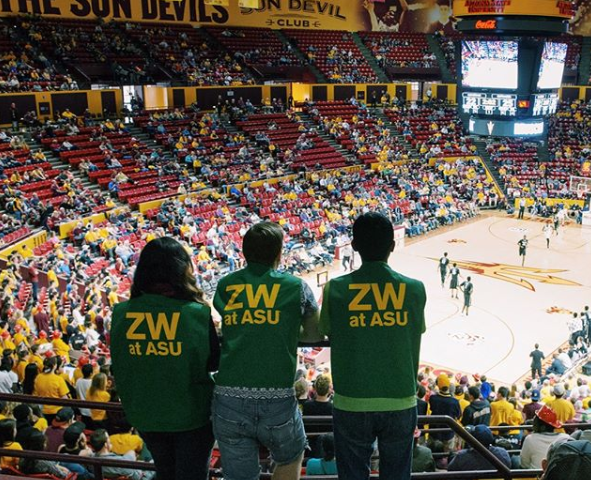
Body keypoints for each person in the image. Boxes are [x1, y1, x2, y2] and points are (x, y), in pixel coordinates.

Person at [319, 212, 427, 480]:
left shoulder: (335, 289)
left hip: (351, 400)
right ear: (393, 245)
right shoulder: (414, 289)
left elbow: (324, 331)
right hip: (400, 398)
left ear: (353, 246)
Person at [212, 221, 321, 480]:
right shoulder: (297, 286)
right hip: (277, 396)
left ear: (244, 252)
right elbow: (315, 333)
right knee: (291, 454)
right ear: (279, 253)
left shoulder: (226, 285)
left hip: (228, 395)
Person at [111, 237, 220, 480]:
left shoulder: (120, 313)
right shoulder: (196, 314)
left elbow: (119, 362)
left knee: (165, 471)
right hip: (190, 414)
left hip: (145, 413)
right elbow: (213, 363)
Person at [90, 429, 154, 480]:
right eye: (108, 438)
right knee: (157, 462)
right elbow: (135, 476)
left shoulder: (90, 460)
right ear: (105, 444)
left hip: (130, 469)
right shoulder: (118, 462)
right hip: (141, 476)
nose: (110, 439)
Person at [520, 404, 570, 469]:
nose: (533, 423)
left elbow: (524, 464)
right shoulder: (565, 438)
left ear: (542, 427)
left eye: (536, 421)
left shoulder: (530, 439)